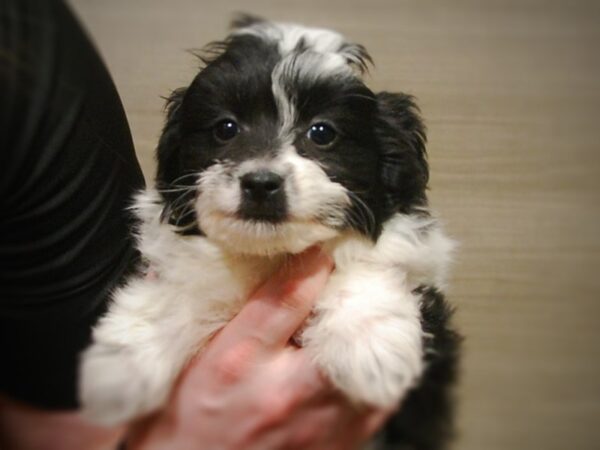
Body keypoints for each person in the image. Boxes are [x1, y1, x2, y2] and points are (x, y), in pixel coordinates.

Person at [0, 1, 389, 448]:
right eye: (226, 129)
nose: (262, 168)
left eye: (321, 135)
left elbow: (62, 417)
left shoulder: (29, 48)